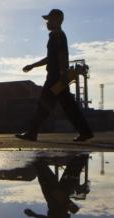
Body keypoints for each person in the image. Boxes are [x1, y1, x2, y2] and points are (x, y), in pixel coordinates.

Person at [16, 8, 93, 142]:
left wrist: (62, 73)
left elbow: (61, 55)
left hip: (55, 77)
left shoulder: (58, 36)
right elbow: (50, 58)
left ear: (57, 20)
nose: (47, 23)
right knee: (66, 106)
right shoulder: (56, 36)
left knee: (45, 104)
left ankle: (32, 133)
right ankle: (85, 132)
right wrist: (32, 66)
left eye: (49, 20)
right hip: (57, 76)